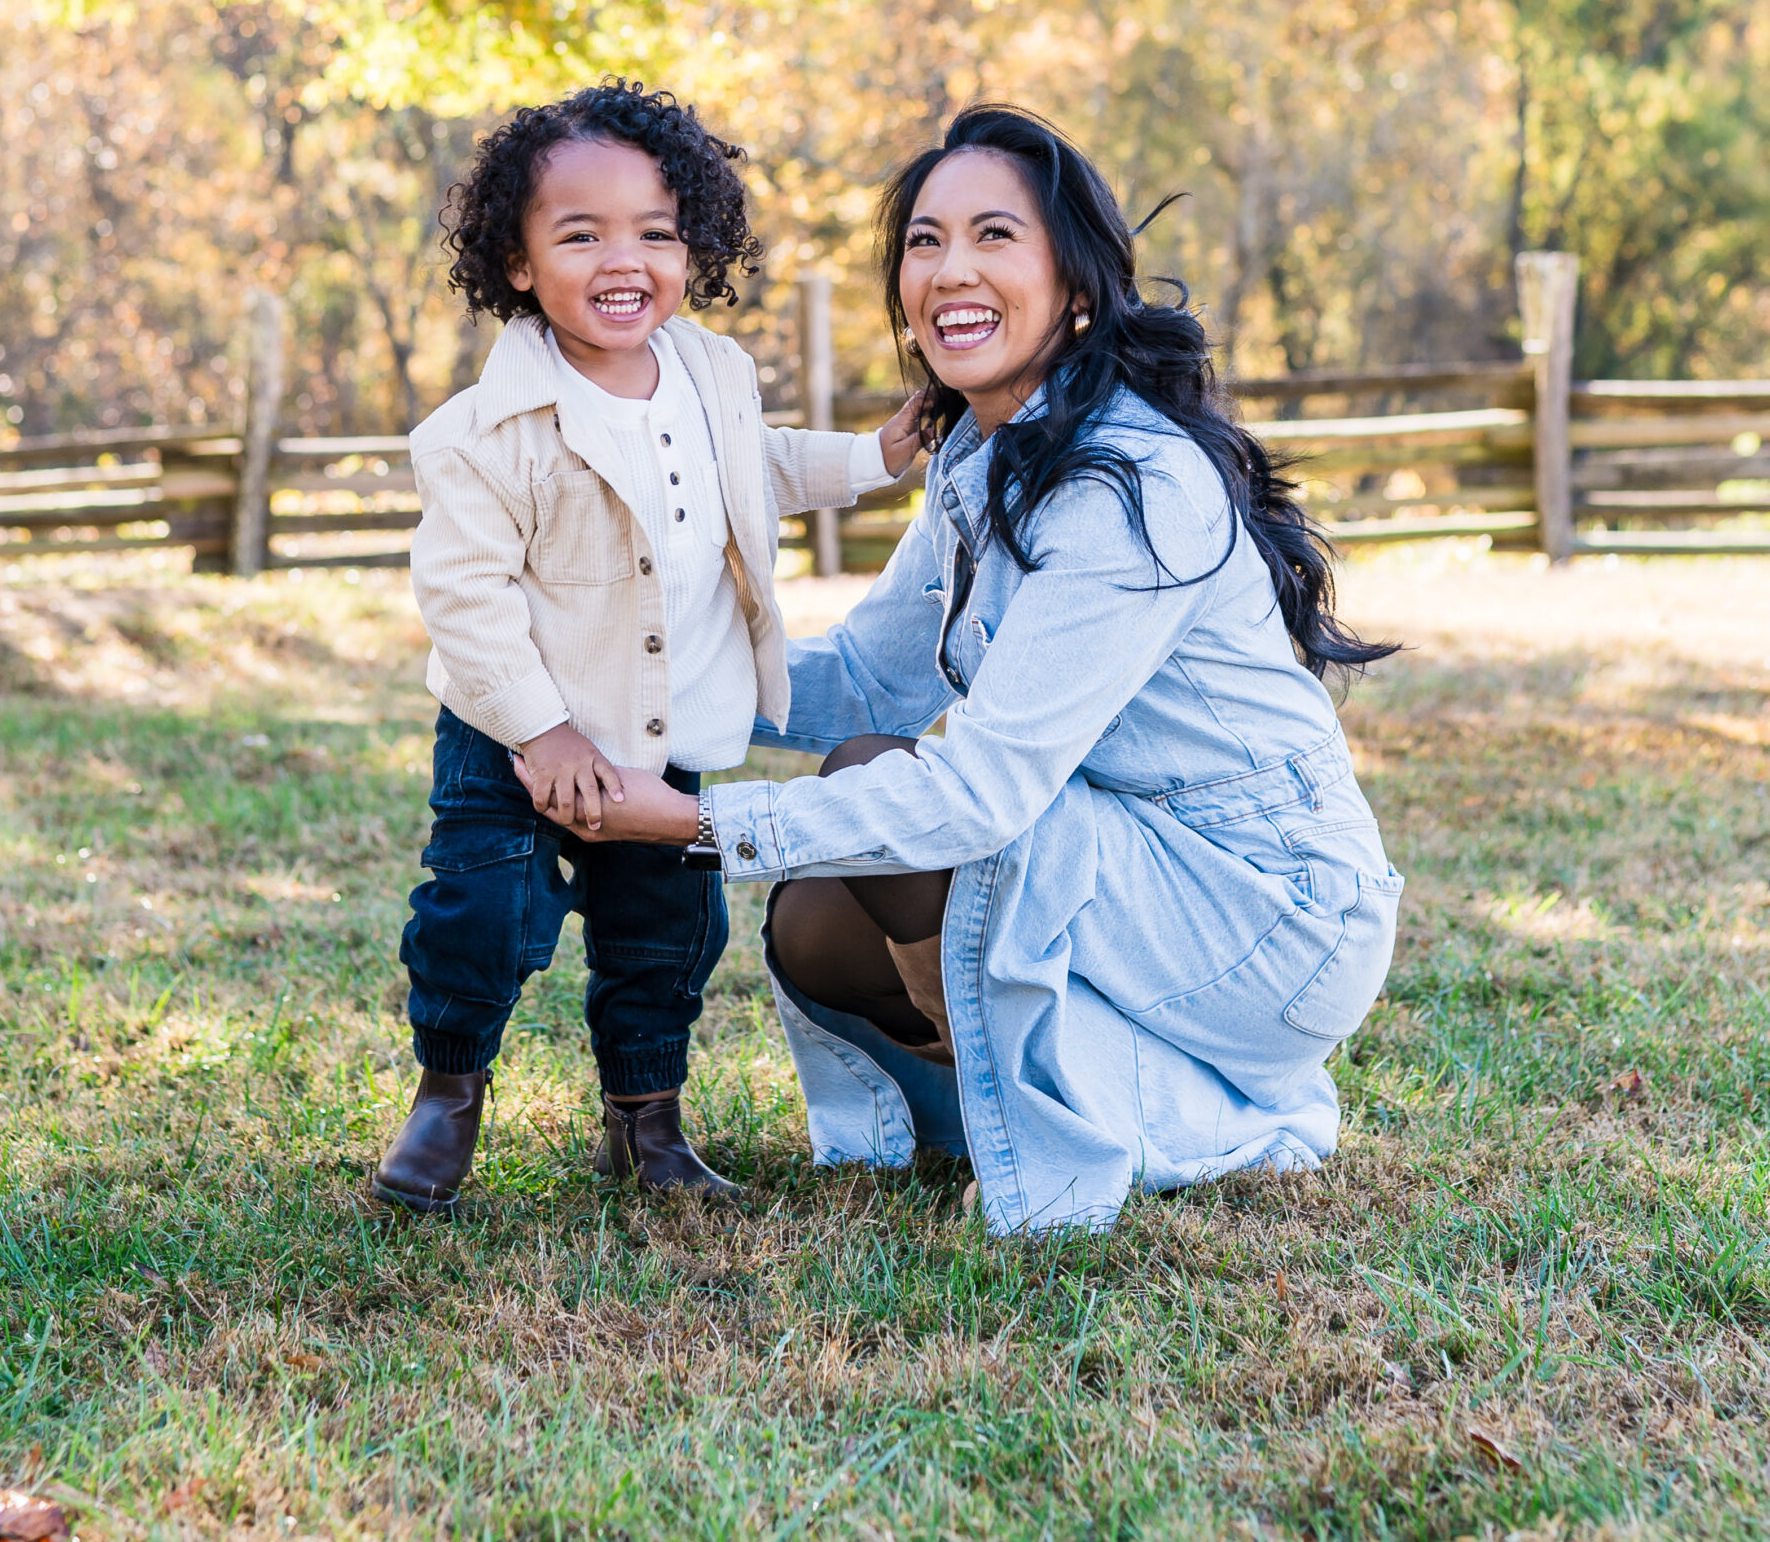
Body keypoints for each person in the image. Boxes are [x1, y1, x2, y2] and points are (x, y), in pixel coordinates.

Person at [550, 104, 1403, 1236]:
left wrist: (696, 824)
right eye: (924, 240)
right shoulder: (980, 449)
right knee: (817, 928)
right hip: (1130, 858)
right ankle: (1025, 1094)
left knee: (881, 803)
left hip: (1269, 915)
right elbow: (862, 674)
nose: (950, 268)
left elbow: (979, 792)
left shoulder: (1127, 489)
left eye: (995, 235)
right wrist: (620, 679)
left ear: (1077, 284)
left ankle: (1189, 1107)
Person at [371, 82, 922, 1215]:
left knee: (666, 932)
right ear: (516, 263)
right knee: (485, 912)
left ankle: (646, 1122)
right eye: (580, 234)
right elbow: (464, 594)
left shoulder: (712, 372)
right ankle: (447, 1092)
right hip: (517, 734)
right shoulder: (487, 430)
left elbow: (754, 466)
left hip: (665, 726)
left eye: (655, 233)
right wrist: (541, 728)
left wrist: (873, 452)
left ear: (694, 248)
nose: (624, 258)